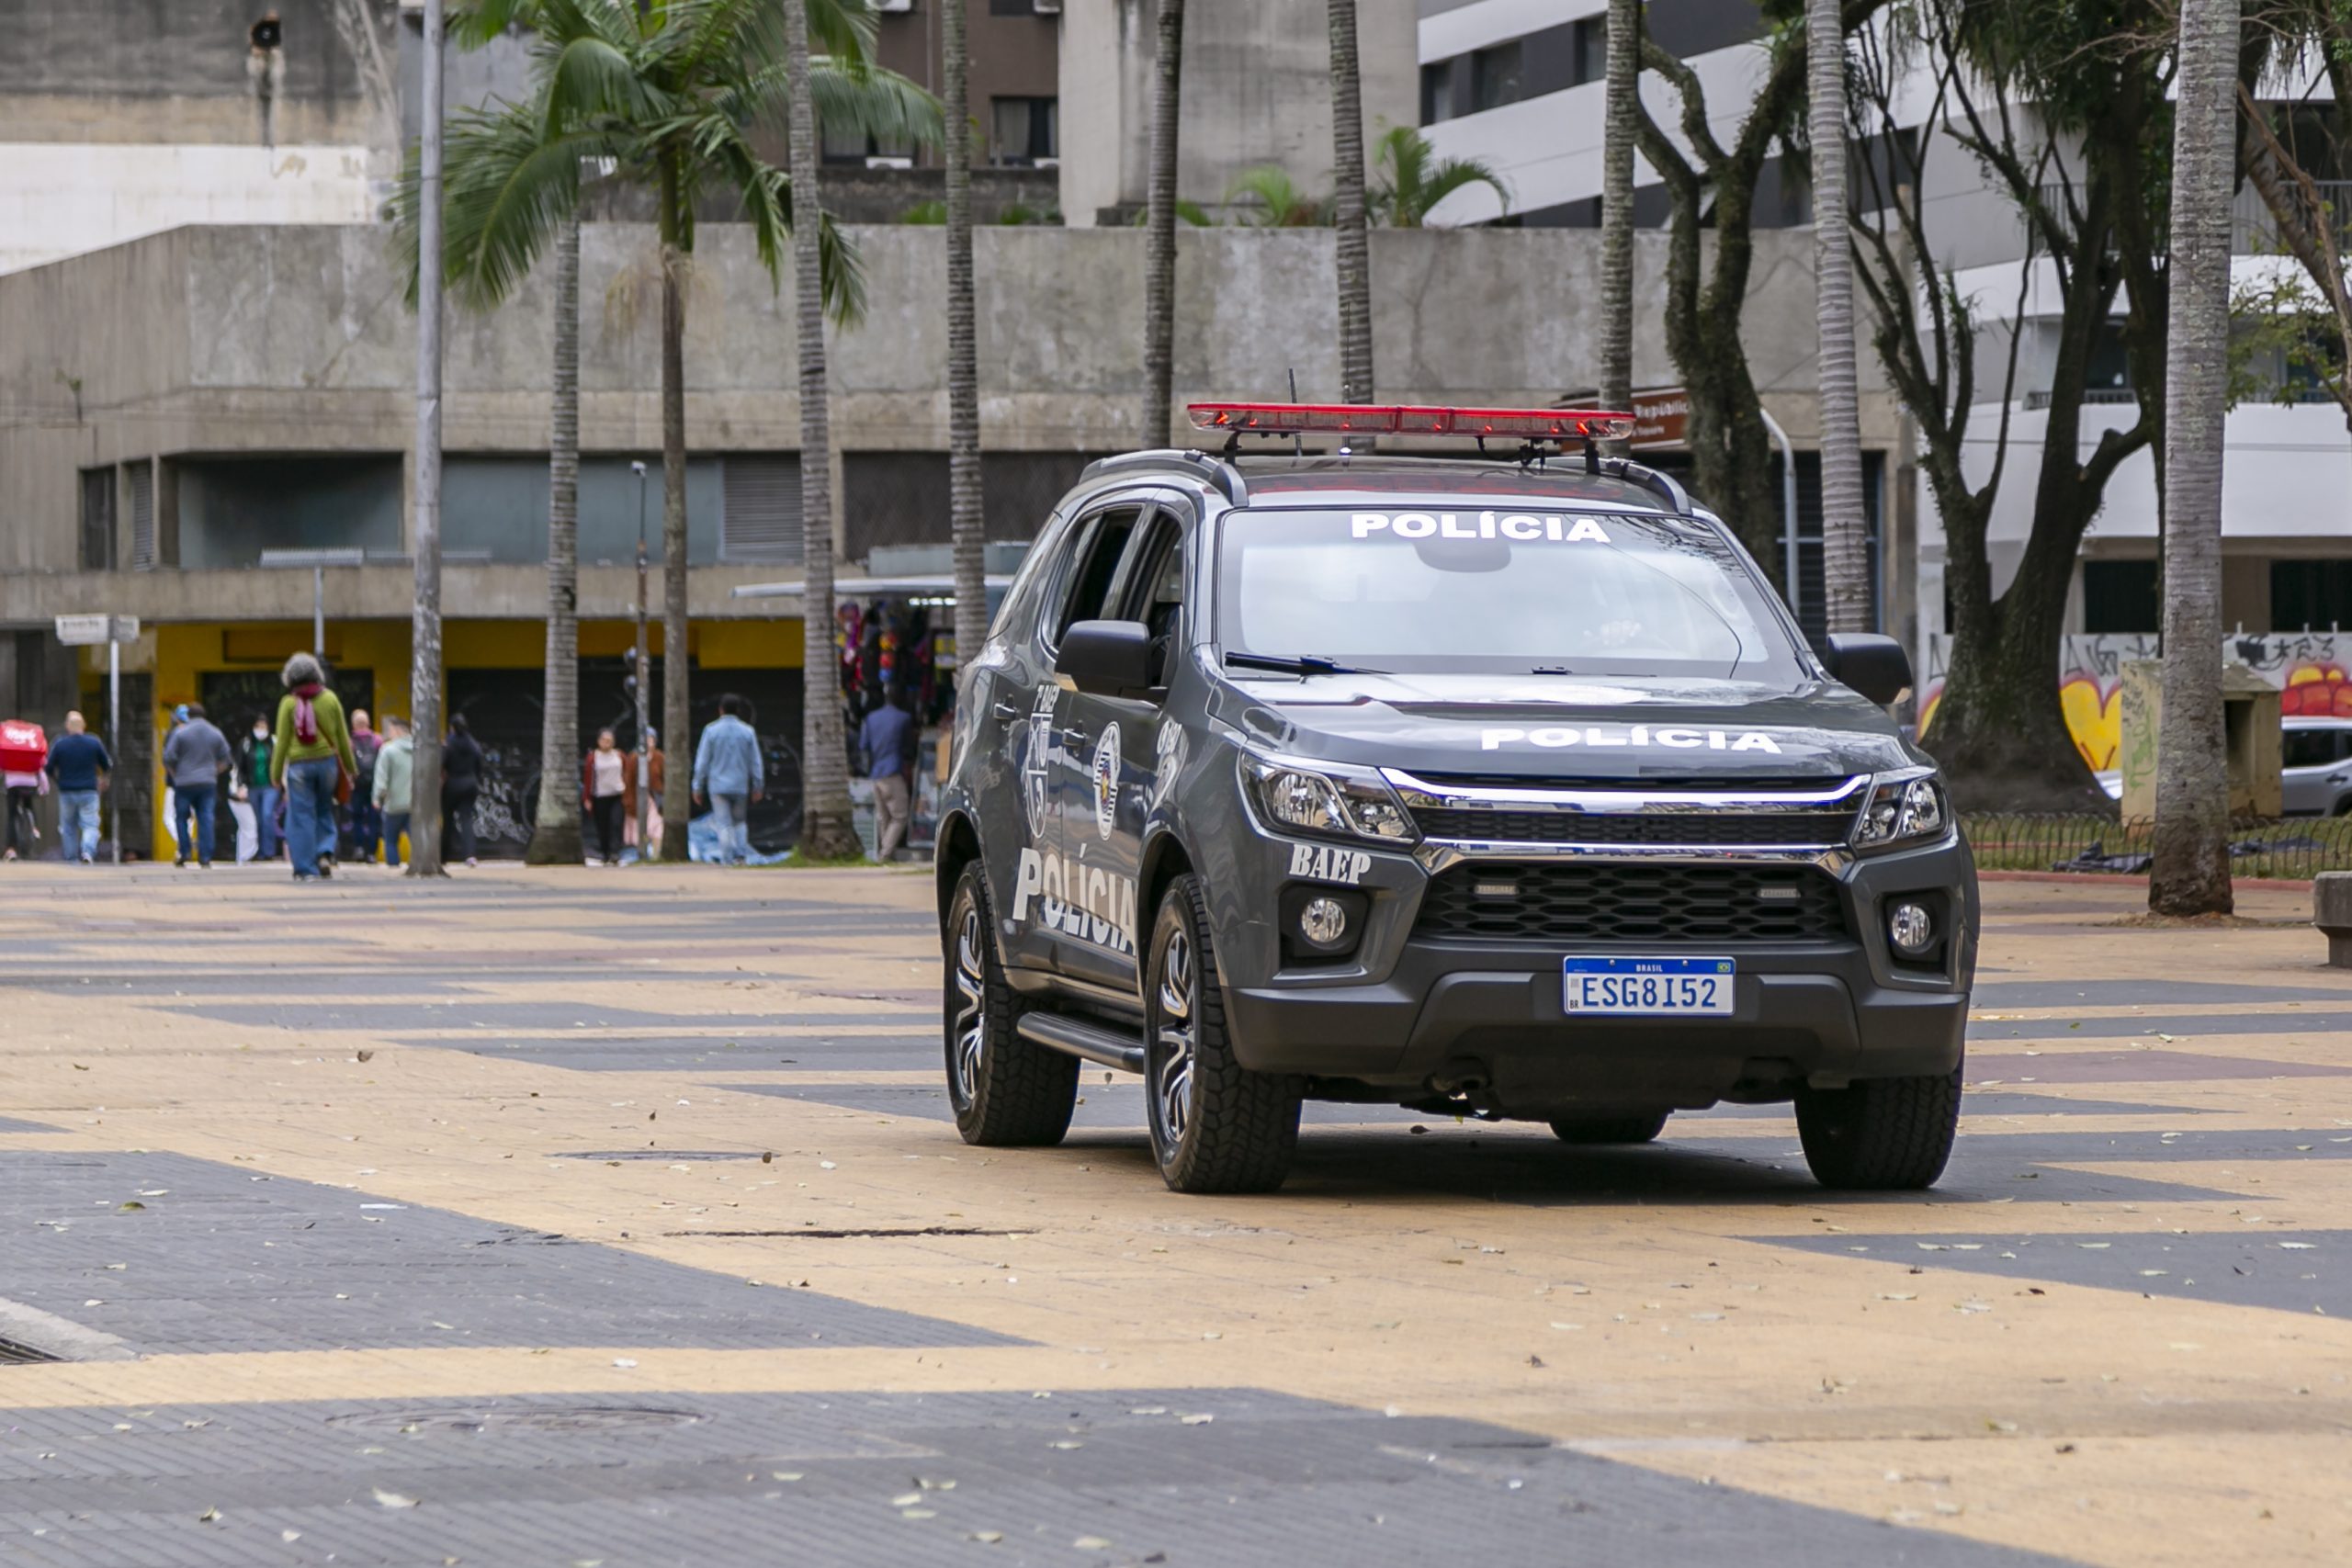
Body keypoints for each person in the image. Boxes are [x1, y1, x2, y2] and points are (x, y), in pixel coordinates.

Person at [270, 652, 357, 881]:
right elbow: (342, 737)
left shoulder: (288, 703)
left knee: (301, 817)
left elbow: (281, 743)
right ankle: (324, 852)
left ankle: (305, 869)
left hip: (299, 767)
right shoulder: (330, 699)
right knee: (324, 808)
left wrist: (276, 773)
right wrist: (350, 768)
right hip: (327, 764)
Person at [692, 695, 762, 866]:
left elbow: (702, 762)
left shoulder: (711, 731)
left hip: (717, 786)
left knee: (723, 823)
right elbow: (755, 761)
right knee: (739, 822)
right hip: (740, 785)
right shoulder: (748, 732)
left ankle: (726, 859)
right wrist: (758, 785)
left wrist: (697, 786)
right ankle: (741, 857)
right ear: (738, 710)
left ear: (720, 710)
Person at [161, 702, 232, 868]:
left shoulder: (180, 733)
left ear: (189, 716)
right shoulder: (215, 732)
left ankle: (185, 852)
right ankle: (205, 857)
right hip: (207, 782)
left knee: (181, 818)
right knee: (206, 818)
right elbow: (226, 758)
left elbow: (168, 758)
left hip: (184, 782)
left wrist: (175, 775)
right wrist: (214, 771)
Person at [858, 684, 918, 863]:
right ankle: (885, 853)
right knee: (900, 816)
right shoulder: (904, 718)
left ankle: (886, 855)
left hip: (876, 775)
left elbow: (863, 747)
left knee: (883, 816)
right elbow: (909, 749)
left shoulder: (871, 718)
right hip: (892, 773)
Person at [43, 713, 108, 864]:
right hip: (89, 791)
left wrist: (59, 781)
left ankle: (71, 858)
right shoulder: (94, 742)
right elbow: (106, 765)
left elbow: (49, 767)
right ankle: (87, 851)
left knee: (68, 826)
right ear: (83, 725)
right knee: (90, 824)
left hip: (66, 791)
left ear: (67, 726)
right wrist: (103, 780)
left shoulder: (60, 744)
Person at [3, 717, 48, 862]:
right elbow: (41, 768)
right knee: (29, 805)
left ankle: (11, 849)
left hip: (13, 785)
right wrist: (44, 789)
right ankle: (34, 827)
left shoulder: (7, 742)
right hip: (30, 784)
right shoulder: (32, 742)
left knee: (12, 815)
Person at [442, 713, 484, 867]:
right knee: (466, 819)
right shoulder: (473, 744)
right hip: (470, 784)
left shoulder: (448, 743)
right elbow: (480, 765)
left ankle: (443, 855)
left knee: (447, 820)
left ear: (451, 727)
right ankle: (470, 855)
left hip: (452, 784)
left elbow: (442, 763)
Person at [372, 715, 414, 868]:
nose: (388, 733)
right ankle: (415, 864)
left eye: (390, 729)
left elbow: (381, 777)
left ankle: (393, 869)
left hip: (394, 804)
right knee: (415, 839)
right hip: (415, 804)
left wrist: (377, 798)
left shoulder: (388, 750)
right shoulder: (419, 749)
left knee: (390, 840)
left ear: (397, 730)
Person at [582, 728, 627, 866]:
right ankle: (605, 853)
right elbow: (588, 778)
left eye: (609, 741)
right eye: (604, 740)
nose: (607, 743)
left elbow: (627, 772)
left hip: (617, 794)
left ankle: (615, 852)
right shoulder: (593, 757)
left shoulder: (619, 756)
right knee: (603, 826)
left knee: (616, 823)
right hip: (600, 796)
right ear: (599, 741)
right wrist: (587, 798)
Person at [241, 714, 279, 861]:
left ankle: (268, 851)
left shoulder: (274, 743)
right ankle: (259, 851)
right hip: (253, 786)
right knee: (257, 819)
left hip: (270, 785)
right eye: (258, 727)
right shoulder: (246, 744)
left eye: (263, 727)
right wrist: (241, 785)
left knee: (267, 815)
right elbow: (241, 766)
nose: (260, 730)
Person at [346, 708, 382, 863]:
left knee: (357, 818)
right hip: (374, 784)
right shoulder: (377, 740)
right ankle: (371, 853)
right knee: (373, 819)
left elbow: (347, 764)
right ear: (368, 723)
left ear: (353, 725)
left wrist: (350, 781)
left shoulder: (350, 742)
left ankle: (359, 848)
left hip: (357, 785)